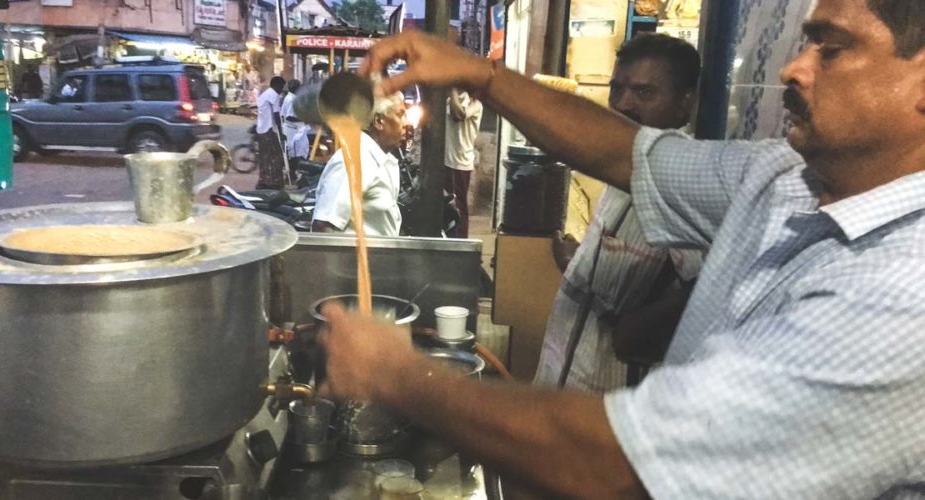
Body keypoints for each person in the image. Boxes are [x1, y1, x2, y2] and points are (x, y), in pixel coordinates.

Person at [319, 0, 925, 497]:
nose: (794, 68)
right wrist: (481, 74)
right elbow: (624, 152)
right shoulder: (783, 179)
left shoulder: (907, 295)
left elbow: (632, 465)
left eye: (832, 47)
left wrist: (399, 375)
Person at [534, 34, 705, 393]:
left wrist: (632, 330)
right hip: (565, 382)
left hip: (610, 401)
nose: (623, 104)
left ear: (685, 103)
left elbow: (706, 290)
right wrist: (578, 261)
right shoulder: (623, 165)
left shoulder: (682, 180)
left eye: (644, 93)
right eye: (617, 89)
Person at [311, 92, 407, 237]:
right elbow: (323, 226)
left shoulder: (382, 158)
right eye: (400, 115)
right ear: (378, 121)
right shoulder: (356, 160)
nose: (407, 123)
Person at [444, 88, 483, 238]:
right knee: (447, 205)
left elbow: (458, 114)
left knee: (458, 206)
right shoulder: (450, 99)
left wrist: (452, 90)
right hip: (447, 159)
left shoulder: (474, 102)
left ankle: (461, 241)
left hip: (460, 162)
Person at [255, 76, 288, 189]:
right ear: (277, 85)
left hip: (261, 129)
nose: (282, 89)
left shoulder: (264, 94)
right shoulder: (274, 95)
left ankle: (264, 180)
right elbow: (276, 115)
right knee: (275, 157)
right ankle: (274, 182)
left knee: (265, 157)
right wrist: (281, 133)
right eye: (282, 87)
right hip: (269, 130)